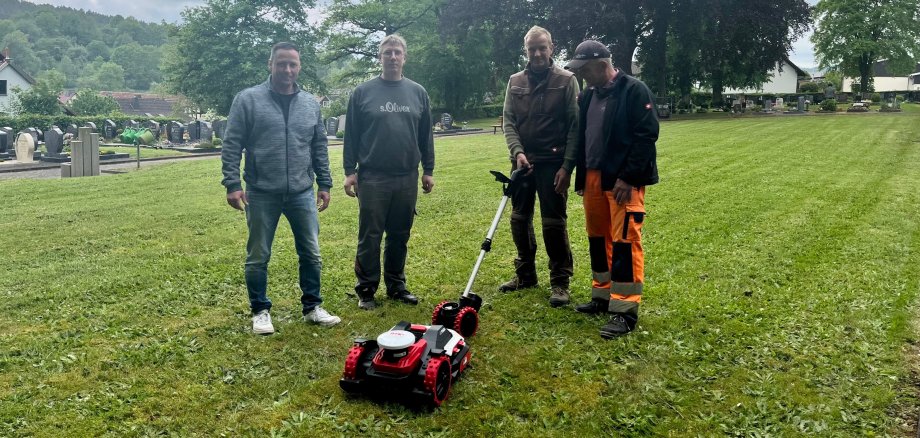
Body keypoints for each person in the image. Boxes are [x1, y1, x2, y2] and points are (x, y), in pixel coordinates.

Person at [221, 41, 341, 335]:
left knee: (311, 252)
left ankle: (313, 307)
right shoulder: (248, 100)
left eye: (293, 64)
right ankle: (260, 311)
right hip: (261, 191)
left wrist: (324, 182)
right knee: (259, 254)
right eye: (281, 64)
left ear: (299, 67)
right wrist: (233, 184)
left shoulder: (311, 104)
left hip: (301, 191)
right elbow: (232, 143)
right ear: (270, 64)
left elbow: (318, 146)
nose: (287, 69)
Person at [564, 40, 659, 338]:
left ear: (601, 65)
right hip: (594, 178)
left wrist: (629, 177)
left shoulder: (634, 90)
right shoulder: (589, 95)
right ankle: (601, 296)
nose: (581, 75)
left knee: (624, 242)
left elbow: (646, 136)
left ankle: (625, 311)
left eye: (584, 69)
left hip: (623, 181)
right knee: (597, 239)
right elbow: (583, 138)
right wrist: (581, 179)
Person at [343, 34, 435, 310]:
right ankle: (367, 289)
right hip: (373, 177)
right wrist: (350, 171)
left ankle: (396, 285)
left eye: (397, 52)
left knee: (399, 234)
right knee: (370, 235)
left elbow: (425, 136)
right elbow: (352, 136)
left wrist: (428, 170)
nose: (392, 57)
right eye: (387, 53)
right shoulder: (362, 93)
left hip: (406, 176)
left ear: (404, 57)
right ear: (379, 57)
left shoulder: (418, 93)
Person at [499, 26, 579, 307]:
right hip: (521, 163)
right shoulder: (515, 81)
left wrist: (567, 167)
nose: (537, 53)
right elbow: (508, 121)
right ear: (526, 51)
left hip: (553, 164)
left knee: (553, 222)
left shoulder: (567, 81)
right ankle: (525, 275)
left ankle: (560, 282)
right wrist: (517, 152)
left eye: (542, 47)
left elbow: (574, 127)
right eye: (532, 48)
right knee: (519, 219)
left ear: (551, 48)